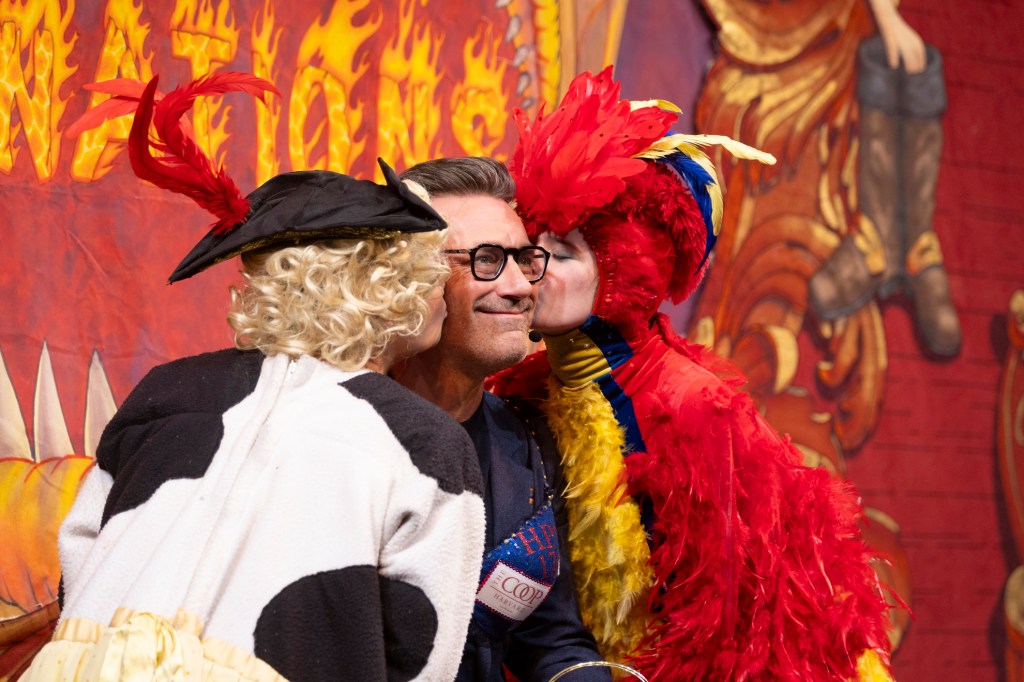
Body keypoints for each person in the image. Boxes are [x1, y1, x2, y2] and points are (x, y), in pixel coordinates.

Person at [23, 74, 485, 682]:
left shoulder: (169, 388)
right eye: (432, 279)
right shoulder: (425, 441)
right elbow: (423, 649)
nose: (445, 296)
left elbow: (82, 550)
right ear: (390, 291)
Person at [491, 68, 896, 681]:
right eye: (530, 245)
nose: (531, 269)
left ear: (624, 271)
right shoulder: (525, 390)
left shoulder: (692, 405)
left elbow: (723, 634)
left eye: (562, 252)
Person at [394, 157, 611, 682]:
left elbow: (551, 641)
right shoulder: (337, 435)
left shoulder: (528, 442)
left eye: (525, 259)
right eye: (487, 259)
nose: (521, 287)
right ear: (410, 280)